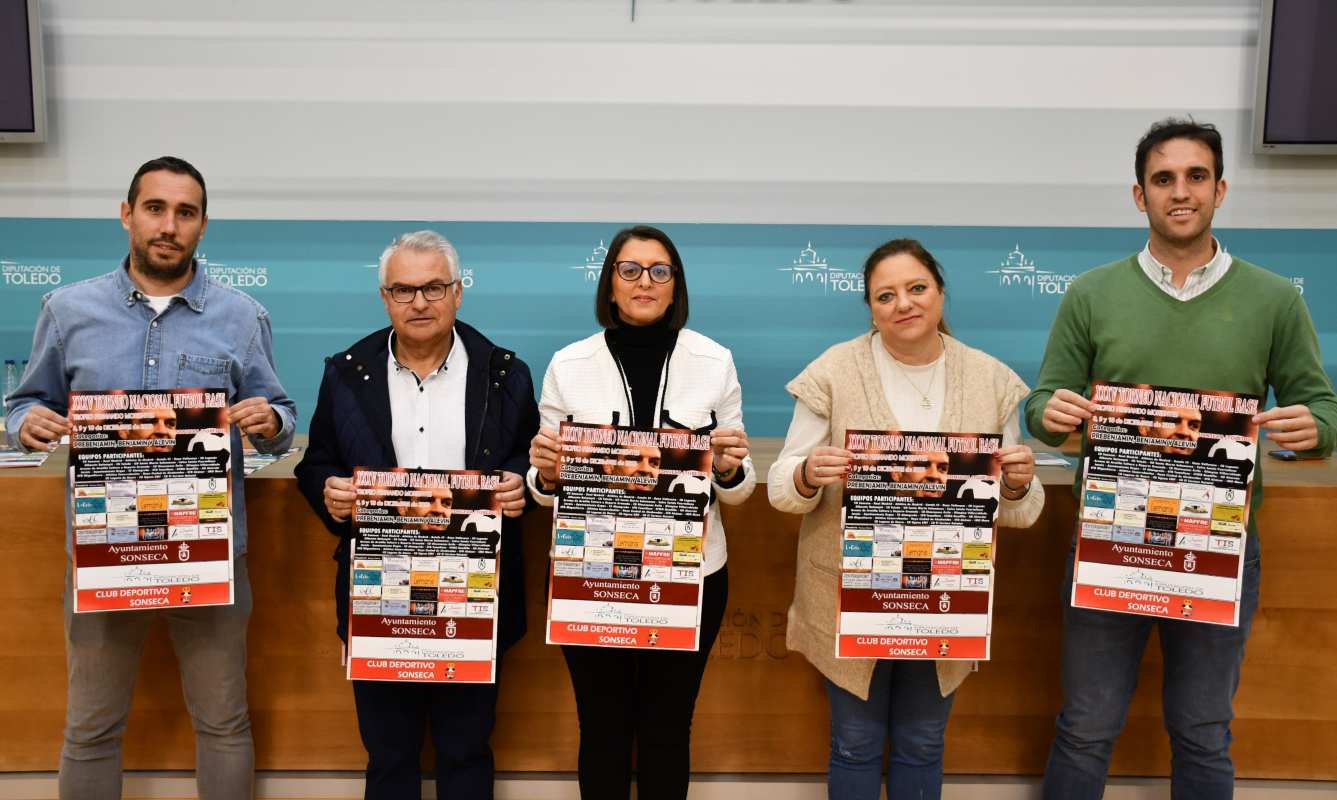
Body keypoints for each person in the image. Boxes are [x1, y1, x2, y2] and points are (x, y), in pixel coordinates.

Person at [1027, 118, 1337, 799]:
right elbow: (1045, 404)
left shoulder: (1273, 298)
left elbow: (1324, 411)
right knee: (1085, 725)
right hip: (1110, 539)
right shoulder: (1089, 294)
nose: (1180, 191)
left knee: (1202, 731)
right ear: (1138, 196)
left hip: (1218, 546)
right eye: (1162, 178)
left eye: (1195, 176)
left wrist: (1312, 427)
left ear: (1219, 189)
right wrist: (1046, 414)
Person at [4, 156, 296, 800]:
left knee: (223, 722)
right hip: (104, 556)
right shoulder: (67, 309)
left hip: (211, 557)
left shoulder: (243, 316)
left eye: (185, 213)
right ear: (127, 214)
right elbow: (24, 404)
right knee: (90, 727)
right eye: (156, 208)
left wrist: (267, 418)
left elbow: (281, 416)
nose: (170, 225)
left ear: (202, 226)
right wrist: (27, 424)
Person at [767, 238, 1044, 800]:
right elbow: (779, 489)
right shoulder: (833, 371)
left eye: (916, 288)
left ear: (940, 293)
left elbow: (1021, 509)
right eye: (885, 295)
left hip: (944, 596)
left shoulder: (990, 379)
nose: (904, 304)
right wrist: (807, 474)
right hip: (850, 596)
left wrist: (1016, 484)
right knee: (854, 741)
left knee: (922, 741)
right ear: (870, 307)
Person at [294, 230, 539, 800]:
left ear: (458, 293)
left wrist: (520, 484)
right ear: (385, 297)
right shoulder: (346, 371)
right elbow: (317, 462)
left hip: (475, 593)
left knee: (466, 752)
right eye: (404, 290)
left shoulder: (506, 373)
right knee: (389, 757)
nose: (419, 302)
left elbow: (529, 461)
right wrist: (328, 493)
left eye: (433, 287)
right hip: (379, 594)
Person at [526, 224, 756, 799]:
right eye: (629, 270)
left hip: (692, 574)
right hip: (590, 574)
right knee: (601, 728)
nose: (644, 282)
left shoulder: (714, 360)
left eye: (659, 271)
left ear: (675, 287)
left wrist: (728, 467)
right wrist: (547, 473)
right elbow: (542, 483)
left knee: (666, 729)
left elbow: (738, 487)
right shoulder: (569, 363)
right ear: (609, 286)